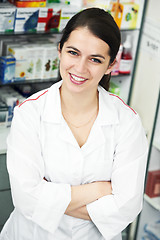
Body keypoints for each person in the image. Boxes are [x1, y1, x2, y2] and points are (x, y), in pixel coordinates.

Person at [0, 7, 148, 240]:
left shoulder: (127, 122)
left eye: (95, 59)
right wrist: (98, 191)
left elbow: (127, 206)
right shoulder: (29, 113)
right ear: (59, 50)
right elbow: (26, 198)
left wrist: (48, 198)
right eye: (73, 53)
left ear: (111, 65)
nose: (80, 68)